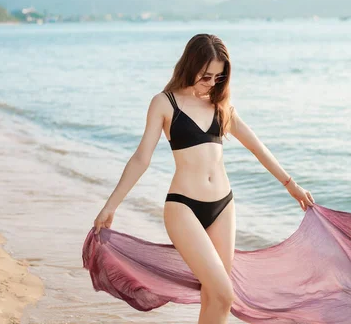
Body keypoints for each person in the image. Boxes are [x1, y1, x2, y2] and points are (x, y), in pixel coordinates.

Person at [93, 33, 315, 324]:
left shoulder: (220, 106)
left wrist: (291, 186)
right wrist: (111, 206)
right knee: (224, 292)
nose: (211, 83)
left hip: (224, 206)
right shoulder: (164, 103)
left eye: (218, 78)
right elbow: (141, 158)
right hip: (183, 207)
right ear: (190, 65)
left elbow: (257, 148)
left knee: (215, 297)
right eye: (206, 76)